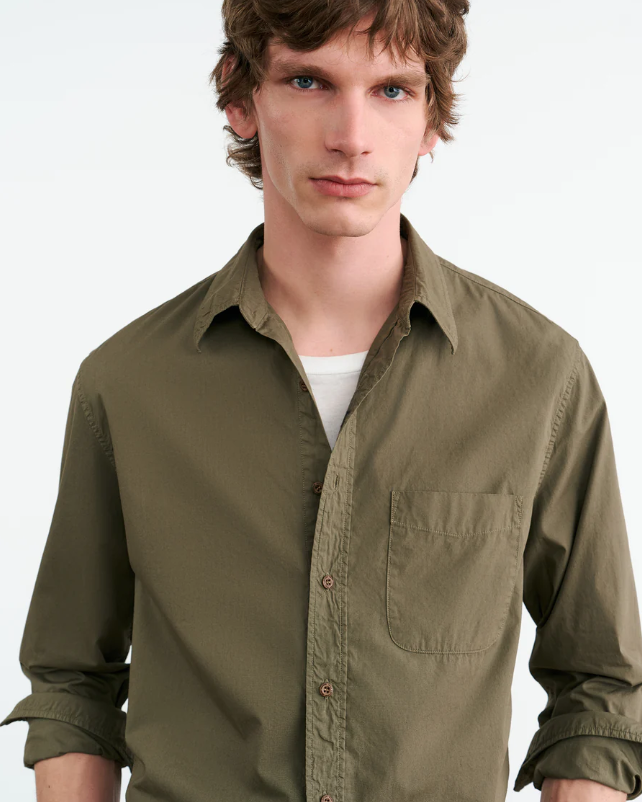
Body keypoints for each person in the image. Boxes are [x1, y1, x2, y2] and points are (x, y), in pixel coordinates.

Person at [3, 1, 642, 800]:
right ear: (241, 97)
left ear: (433, 117)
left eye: (393, 91)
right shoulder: (127, 386)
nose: (351, 134)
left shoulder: (540, 380)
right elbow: (72, 686)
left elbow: (602, 689)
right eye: (310, 80)